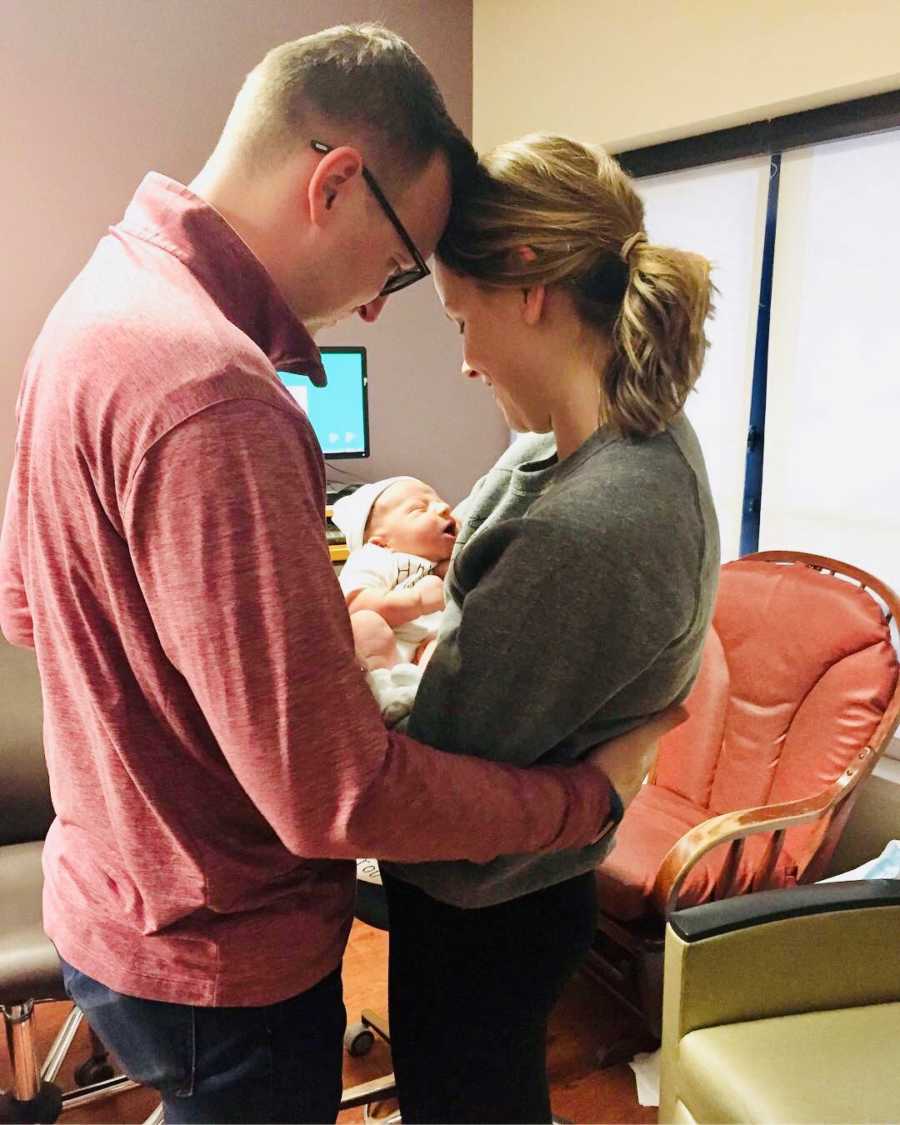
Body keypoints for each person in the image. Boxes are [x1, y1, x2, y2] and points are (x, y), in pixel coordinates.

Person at [0, 27, 672, 1125]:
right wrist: (586, 801)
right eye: (404, 269)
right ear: (337, 181)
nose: (376, 308)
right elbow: (337, 797)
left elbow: (31, 610)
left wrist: (295, 634)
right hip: (221, 960)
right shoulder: (218, 394)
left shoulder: (94, 302)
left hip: (108, 903)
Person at [379, 133, 721, 1124]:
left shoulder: (594, 523)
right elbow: (462, 640)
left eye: (461, 319)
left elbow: (423, 776)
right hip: (503, 888)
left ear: (526, 287)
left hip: (488, 906)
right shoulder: (574, 449)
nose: (464, 359)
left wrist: (357, 667)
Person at [332, 475, 457, 723]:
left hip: (428, 646)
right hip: (390, 644)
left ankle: (422, 692)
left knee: (449, 644)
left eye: (441, 502)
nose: (444, 508)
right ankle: (382, 688)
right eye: (419, 509)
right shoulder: (375, 558)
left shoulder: (444, 560)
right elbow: (354, 604)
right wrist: (416, 601)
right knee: (365, 623)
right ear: (381, 540)